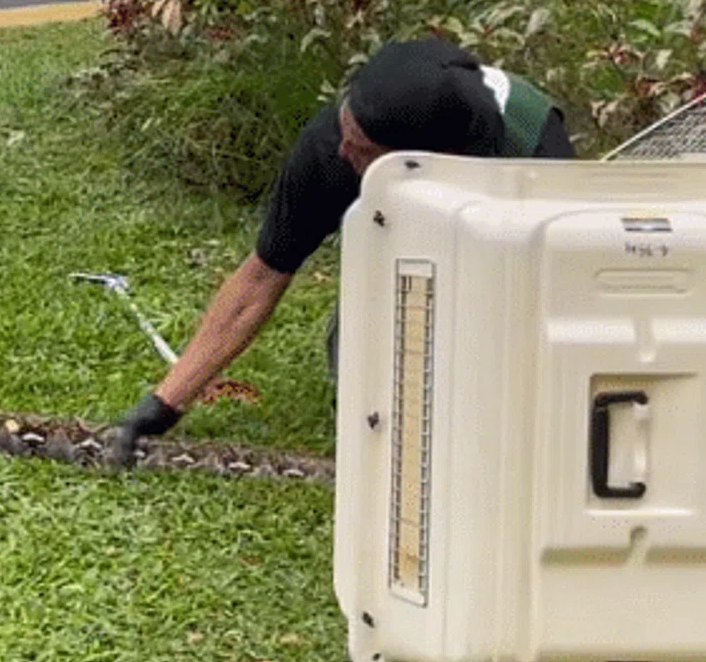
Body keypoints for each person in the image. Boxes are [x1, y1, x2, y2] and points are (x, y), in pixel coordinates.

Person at [104, 38, 577, 467]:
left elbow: (557, 302)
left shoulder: (535, 156)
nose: (345, 149)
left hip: (504, 254)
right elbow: (262, 277)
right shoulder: (333, 147)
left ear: (415, 161)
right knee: (361, 356)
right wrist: (162, 406)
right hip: (413, 232)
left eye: (363, 147)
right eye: (346, 124)